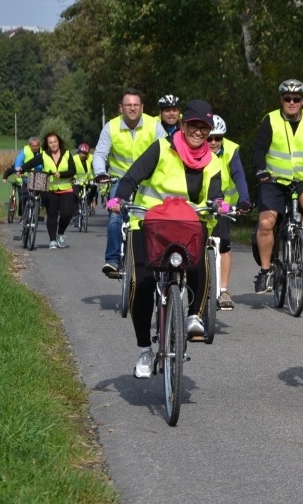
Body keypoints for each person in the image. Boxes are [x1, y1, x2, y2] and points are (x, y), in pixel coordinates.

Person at [106, 100, 225, 379]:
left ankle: (194, 314)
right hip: (149, 223)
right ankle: (144, 349)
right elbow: (132, 177)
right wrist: (120, 198)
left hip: (187, 225)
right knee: (143, 282)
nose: (199, 131)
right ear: (182, 125)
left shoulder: (213, 160)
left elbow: (216, 194)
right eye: (194, 125)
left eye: (204, 128)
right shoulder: (162, 147)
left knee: (202, 256)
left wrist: (218, 204)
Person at [251, 79, 303, 293]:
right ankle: (266, 271)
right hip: (273, 181)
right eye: (288, 98)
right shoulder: (271, 120)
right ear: (281, 100)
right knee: (266, 223)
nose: (292, 102)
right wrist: (260, 170)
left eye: (296, 99)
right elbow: (258, 149)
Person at [93, 88, 167, 277]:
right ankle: (113, 260)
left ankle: (161, 259)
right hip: (119, 182)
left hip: (147, 182)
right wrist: (101, 172)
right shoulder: (110, 127)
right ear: (121, 108)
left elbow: (167, 153)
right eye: (128, 105)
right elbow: (100, 154)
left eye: (136, 105)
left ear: (142, 107)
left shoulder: (154, 126)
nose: (132, 108)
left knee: (157, 219)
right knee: (115, 217)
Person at [208, 114, 251, 310]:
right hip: (199, 203)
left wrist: (244, 199)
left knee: (224, 244)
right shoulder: (192, 149)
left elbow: (238, 174)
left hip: (223, 205)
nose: (213, 142)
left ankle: (223, 290)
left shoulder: (231, 150)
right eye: (209, 138)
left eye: (218, 138)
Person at [20, 132, 77, 249]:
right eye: (50, 142)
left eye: (55, 141)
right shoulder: (44, 155)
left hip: (66, 188)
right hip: (50, 189)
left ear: (58, 142)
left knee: (67, 214)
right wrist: (21, 169)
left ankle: (60, 233)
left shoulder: (67, 154)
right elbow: (31, 163)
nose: (53, 144)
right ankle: (52, 241)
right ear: (47, 144)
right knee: (52, 214)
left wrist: (61, 174)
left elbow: (73, 170)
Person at [72, 142, 96, 226]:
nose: (83, 155)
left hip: (88, 180)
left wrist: (97, 177)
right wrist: (72, 178)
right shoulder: (74, 158)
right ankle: (75, 217)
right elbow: (70, 169)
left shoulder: (92, 158)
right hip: (77, 181)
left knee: (94, 187)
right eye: (81, 153)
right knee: (75, 196)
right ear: (79, 152)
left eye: (85, 153)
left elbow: (96, 167)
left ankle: (88, 201)